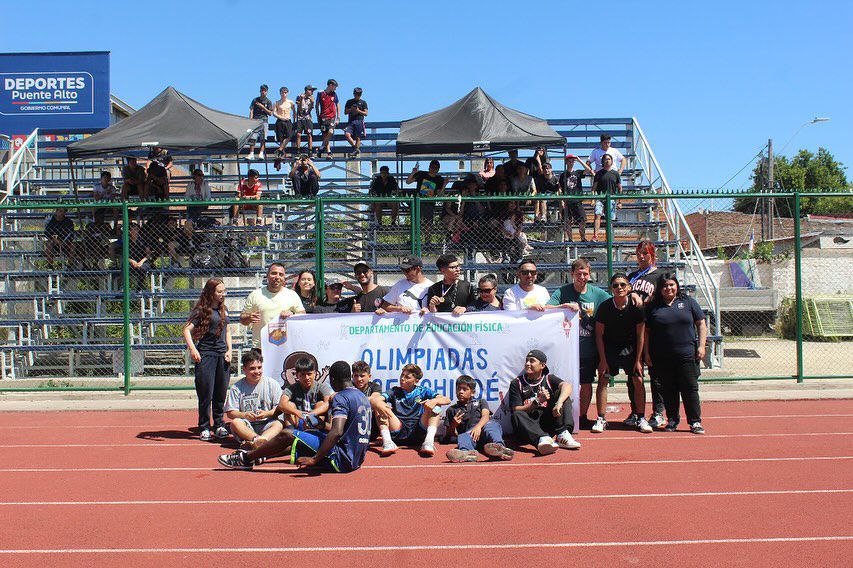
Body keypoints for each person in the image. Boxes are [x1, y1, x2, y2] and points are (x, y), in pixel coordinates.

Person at [219, 360, 372, 473]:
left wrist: (315, 459)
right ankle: (261, 455)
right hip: (357, 457)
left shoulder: (341, 397)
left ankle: (244, 459)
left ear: (332, 379)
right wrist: (321, 425)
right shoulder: (362, 396)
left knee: (287, 434)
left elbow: (337, 431)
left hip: (341, 458)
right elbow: (339, 429)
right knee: (304, 436)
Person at [547, 258, 611, 427]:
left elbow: (614, 302)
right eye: (578, 274)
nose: (582, 277)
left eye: (585, 274)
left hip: (589, 349)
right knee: (565, 384)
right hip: (567, 348)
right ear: (572, 274)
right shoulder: (562, 292)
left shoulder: (597, 294)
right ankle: (565, 415)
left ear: (590, 275)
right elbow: (547, 309)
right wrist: (564, 306)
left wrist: (632, 295)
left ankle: (582, 417)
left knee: (586, 383)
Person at [643, 273, 708, 434]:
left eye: (671, 284)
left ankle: (695, 422)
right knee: (668, 389)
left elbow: (701, 323)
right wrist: (647, 353)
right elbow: (646, 332)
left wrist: (701, 346)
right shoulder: (653, 306)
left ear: (677, 285)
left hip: (687, 354)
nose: (668, 288)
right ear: (660, 288)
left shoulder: (688, 302)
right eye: (665, 285)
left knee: (690, 389)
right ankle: (672, 420)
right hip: (662, 356)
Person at [594, 273, 651, 433]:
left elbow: (640, 335)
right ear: (611, 289)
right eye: (616, 285)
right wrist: (603, 360)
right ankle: (601, 419)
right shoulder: (605, 307)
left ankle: (640, 417)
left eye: (623, 285)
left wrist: (639, 360)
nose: (619, 288)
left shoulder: (636, 307)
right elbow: (599, 334)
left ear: (629, 287)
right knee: (603, 380)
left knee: (638, 380)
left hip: (630, 349)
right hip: (610, 349)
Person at [182, 278, 232, 441]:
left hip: (222, 356)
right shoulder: (202, 311)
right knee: (206, 392)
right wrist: (193, 349)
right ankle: (204, 426)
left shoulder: (224, 310)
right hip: (206, 355)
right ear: (211, 293)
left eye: (224, 291)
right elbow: (187, 330)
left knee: (220, 392)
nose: (223, 294)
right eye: (219, 291)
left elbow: (228, 331)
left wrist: (230, 350)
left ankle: (218, 424)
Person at [371, 363, 451, 456]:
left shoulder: (423, 391)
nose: (402, 379)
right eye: (402, 375)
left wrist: (434, 401)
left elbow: (447, 400)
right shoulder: (394, 391)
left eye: (407, 377)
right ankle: (388, 442)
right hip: (398, 431)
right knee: (379, 406)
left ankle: (428, 442)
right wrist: (378, 403)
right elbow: (375, 399)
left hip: (419, 431)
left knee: (436, 407)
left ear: (416, 381)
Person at [508, 350, 580, 454]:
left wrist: (558, 403)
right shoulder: (517, 383)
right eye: (526, 361)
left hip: (547, 422)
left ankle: (562, 434)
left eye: (532, 361)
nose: (528, 364)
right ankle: (542, 439)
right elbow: (515, 409)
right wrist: (537, 402)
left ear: (542, 365)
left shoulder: (549, 378)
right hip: (529, 426)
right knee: (516, 414)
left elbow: (567, 386)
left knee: (563, 395)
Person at [628, 239, 665, 427]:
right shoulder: (632, 275)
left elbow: (668, 297)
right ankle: (636, 411)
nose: (641, 257)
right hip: (632, 330)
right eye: (639, 254)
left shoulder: (660, 275)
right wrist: (631, 293)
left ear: (653, 255)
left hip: (653, 329)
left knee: (654, 373)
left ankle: (658, 412)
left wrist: (651, 299)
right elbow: (622, 293)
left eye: (645, 254)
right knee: (633, 373)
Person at [445, 375, 514, 463]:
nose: (460, 392)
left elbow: (486, 416)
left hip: (485, 429)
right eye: (458, 389)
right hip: (470, 436)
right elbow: (449, 434)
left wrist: (478, 427)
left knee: (491, 425)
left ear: (472, 393)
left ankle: (500, 448)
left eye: (464, 389)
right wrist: (453, 424)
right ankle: (467, 453)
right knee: (463, 436)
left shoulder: (481, 402)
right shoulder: (451, 410)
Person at [224, 349, 284, 449]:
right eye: (252, 368)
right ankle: (259, 441)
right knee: (235, 423)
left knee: (279, 424)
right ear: (244, 369)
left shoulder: (272, 384)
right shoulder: (236, 387)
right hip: (247, 426)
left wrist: (266, 413)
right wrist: (245, 415)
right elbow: (230, 413)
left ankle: (257, 442)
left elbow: (279, 409)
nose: (257, 371)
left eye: (259, 368)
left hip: (267, 424)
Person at [240, 262, 306, 346]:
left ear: (284, 278)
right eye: (273, 273)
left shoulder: (292, 295)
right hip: (261, 347)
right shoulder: (255, 295)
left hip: (285, 347)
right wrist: (248, 317)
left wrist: (292, 314)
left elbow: (303, 315)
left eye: (281, 274)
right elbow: (242, 320)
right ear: (267, 275)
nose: (277, 277)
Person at [277, 356, 334, 429]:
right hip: (298, 421)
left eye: (309, 374)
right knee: (290, 405)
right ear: (297, 375)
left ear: (315, 373)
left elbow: (327, 403)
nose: (307, 378)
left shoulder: (322, 387)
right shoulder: (291, 388)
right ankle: (290, 434)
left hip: (315, 421)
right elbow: (282, 404)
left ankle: (316, 431)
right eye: (303, 375)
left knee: (320, 404)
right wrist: (297, 413)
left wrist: (311, 415)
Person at [407, 159, 446, 243]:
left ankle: (427, 241)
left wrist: (444, 185)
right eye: (432, 167)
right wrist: (413, 172)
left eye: (436, 168)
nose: (433, 169)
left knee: (428, 223)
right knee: (415, 222)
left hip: (429, 203)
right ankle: (413, 240)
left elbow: (440, 195)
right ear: (429, 167)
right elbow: (408, 181)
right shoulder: (421, 174)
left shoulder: (439, 179)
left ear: (438, 169)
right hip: (418, 202)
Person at [559, 154, 594, 242]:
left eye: (572, 161)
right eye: (569, 161)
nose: (571, 163)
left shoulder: (577, 172)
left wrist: (579, 159)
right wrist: (562, 201)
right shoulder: (563, 175)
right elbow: (560, 188)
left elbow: (588, 170)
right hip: (567, 201)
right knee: (567, 221)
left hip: (577, 201)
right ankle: (570, 239)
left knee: (582, 220)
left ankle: (582, 238)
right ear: (566, 162)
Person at [590, 154, 622, 241]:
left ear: (612, 161)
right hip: (600, 198)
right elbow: (594, 188)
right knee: (597, 214)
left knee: (609, 219)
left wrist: (619, 202)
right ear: (602, 162)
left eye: (609, 159)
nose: (607, 161)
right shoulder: (599, 174)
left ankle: (608, 237)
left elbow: (619, 188)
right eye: (605, 159)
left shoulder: (616, 174)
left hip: (611, 199)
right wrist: (593, 200)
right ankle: (595, 236)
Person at [351, 360, 383, 438]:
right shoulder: (349, 386)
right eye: (356, 376)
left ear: (369, 376)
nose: (359, 379)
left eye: (362, 376)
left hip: (371, 428)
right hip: (352, 429)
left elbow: (374, 398)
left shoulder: (375, 386)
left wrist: (352, 400)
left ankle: (386, 439)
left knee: (378, 404)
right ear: (352, 377)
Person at [248, 84, 273, 160]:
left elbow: (270, 113)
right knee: (253, 137)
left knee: (263, 138)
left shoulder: (268, 101)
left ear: (267, 92)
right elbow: (251, 110)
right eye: (262, 90)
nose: (263, 92)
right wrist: (250, 120)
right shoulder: (255, 100)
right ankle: (251, 153)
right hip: (255, 121)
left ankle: (261, 153)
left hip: (264, 121)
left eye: (264, 90)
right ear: (260, 91)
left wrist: (262, 107)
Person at [316, 79, 339, 159]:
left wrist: (338, 117)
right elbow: (317, 105)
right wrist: (318, 116)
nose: (335, 89)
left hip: (332, 116)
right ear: (330, 85)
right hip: (323, 117)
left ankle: (321, 147)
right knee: (325, 135)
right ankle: (328, 152)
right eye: (335, 87)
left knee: (330, 131)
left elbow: (337, 104)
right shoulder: (320, 93)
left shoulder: (334, 94)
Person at [272, 86, 296, 160]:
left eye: (285, 92)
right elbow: (273, 113)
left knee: (289, 135)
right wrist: (280, 117)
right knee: (281, 138)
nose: (284, 94)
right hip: (280, 121)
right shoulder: (276, 103)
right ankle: (282, 153)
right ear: (280, 93)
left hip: (288, 121)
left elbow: (294, 112)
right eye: (282, 92)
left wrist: (294, 120)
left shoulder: (290, 102)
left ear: (287, 93)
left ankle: (280, 149)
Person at [343, 87, 368, 158]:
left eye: (359, 94)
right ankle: (356, 148)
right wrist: (351, 109)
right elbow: (345, 112)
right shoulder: (349, 102)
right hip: (351, 122)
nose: (357, 95)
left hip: (359, 121)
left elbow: (366, 113)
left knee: (358, 137)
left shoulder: (363, 102)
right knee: (347, 135)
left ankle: (355, 150)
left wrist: (358, 111)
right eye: (356, 94)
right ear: (354, 94)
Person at [294, 85, 316, 156]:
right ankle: (298, 151)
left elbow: (309, 110)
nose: (312, 92)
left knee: (309, 135)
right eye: (311, 90)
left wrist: (312, 103)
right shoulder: (299, 97)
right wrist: (300, 100)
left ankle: (310, 151)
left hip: (308, 119)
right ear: (307, 90)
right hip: (300, 118)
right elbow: (299, 109)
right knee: (298, 134)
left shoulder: (312, 98)